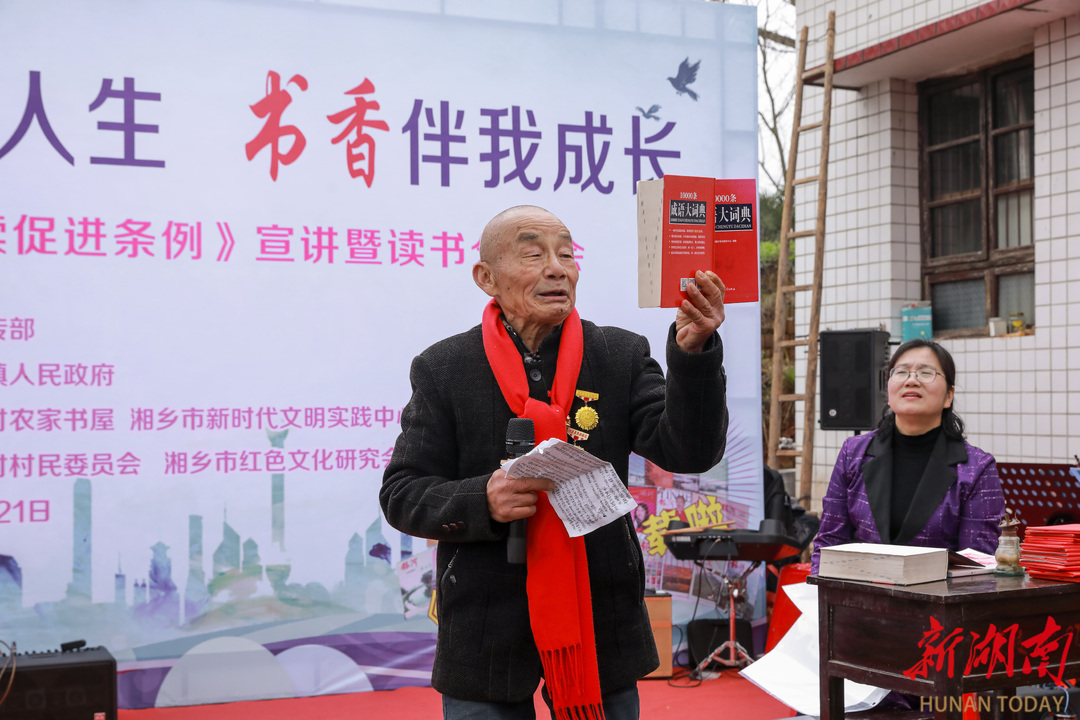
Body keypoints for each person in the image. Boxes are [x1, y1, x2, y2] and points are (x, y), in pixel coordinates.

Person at [380, 205, 729, 720]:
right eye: (533, 254)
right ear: (486, 278)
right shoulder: (445, 368)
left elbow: (689, 451)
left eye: (566, 254)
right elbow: (402, 493)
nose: (557, 269)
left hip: (600, 615)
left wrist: (693, 355)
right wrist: (483, 499)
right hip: (485, 624)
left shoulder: (619, 354)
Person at [810, 339, 1005, 574]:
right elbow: (829, 543)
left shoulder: (976, 468)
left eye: (926, 372)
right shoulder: (853, 453)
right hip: (859, 594)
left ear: (948, 396)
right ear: (889, 391)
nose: (912, 380)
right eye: (901, 372)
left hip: (938, 596)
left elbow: (977, 566)